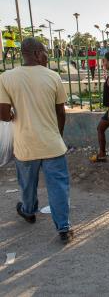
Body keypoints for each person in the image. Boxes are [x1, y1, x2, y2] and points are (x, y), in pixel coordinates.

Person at [0, 38, 73, 244]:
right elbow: (61, 112)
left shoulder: (6, 78)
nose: (47, 56)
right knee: (58, 186)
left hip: (25, 145)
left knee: (27, 184)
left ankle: (29, 211)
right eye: (45, 52)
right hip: (52, 144)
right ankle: (64, 229)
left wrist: (15, 113)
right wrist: (57, 134)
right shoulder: (53, 76)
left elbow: (3, 115)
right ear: (37, 53)